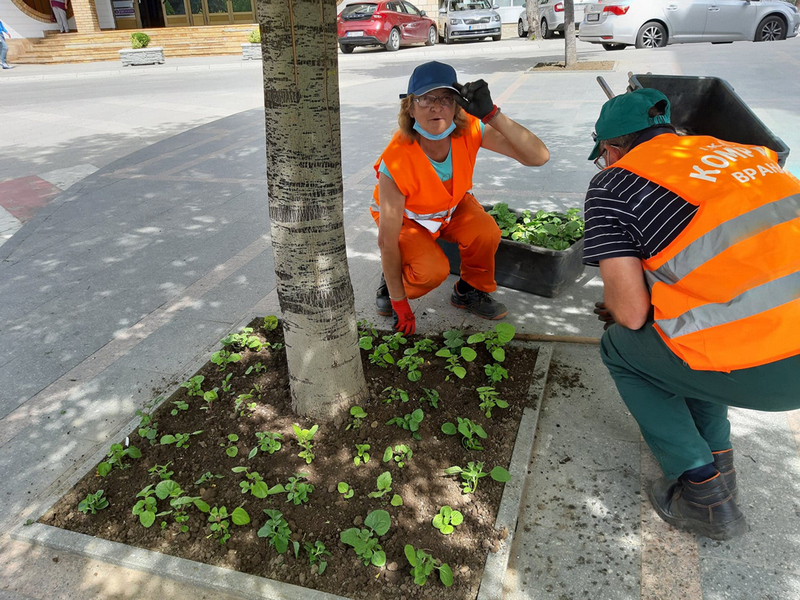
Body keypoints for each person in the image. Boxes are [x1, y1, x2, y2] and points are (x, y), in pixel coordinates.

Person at [583, 88, 800, 540]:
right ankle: (722, 462)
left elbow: (630, 313)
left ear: (611, 149)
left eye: (605, 156)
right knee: (698, 324)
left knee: (623, 350)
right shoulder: (746, 153)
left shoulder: (613, 183)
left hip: (777, 369)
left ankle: (702, 492)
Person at [372, 61, 549, 335]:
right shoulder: (396, 161)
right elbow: (386, 240)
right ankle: (392, 278)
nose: (436, 106)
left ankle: (468, 291)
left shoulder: (468, 130)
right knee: (431, 271)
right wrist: (399, 302)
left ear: (457, 106)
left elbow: (538, 156)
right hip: (409, 220)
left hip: (450, 208)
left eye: (445, 98)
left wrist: (492, 114)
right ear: (410, 107)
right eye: (425, 98)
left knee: (485, 232)